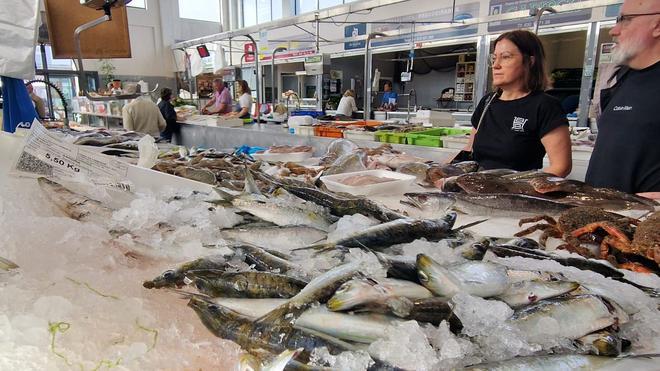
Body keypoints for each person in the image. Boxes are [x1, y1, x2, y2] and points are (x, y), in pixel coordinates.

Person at [463, 29, 572, 177]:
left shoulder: (545, 105)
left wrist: (513, 187)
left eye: (506, 57)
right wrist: (439, 170)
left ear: (530, 61)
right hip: (475, 191)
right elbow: (469, 151)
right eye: (494, 58)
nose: (496, 65)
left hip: (514, 195)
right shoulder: (487, 102)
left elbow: (561, 167)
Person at [585, 0, 660, 198]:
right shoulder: (621, 79)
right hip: (598, 217)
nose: (614, 30)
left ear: (657, 26)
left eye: (625, 20)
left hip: (645, 223)